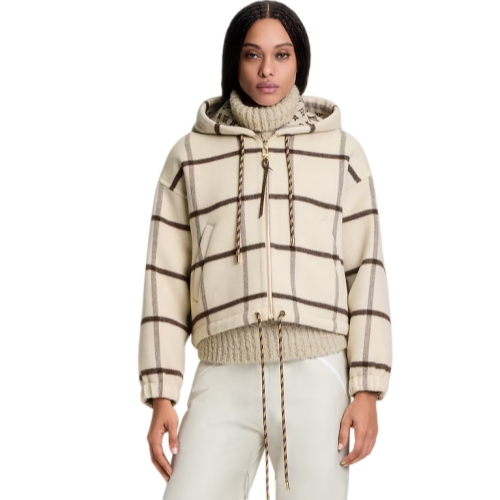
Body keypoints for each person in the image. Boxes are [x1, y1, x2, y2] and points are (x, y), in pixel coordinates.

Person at [137, 2, 393, 499]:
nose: (267, 70)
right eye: (253, 55)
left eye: (282, 55)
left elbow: (367, 270)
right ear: (235, 60)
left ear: (300, 62)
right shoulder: (189, 155)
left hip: (317, 372)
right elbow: (164, 279)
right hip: (223, 373)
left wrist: (367, 388)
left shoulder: (342, 152)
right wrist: (162, 393)